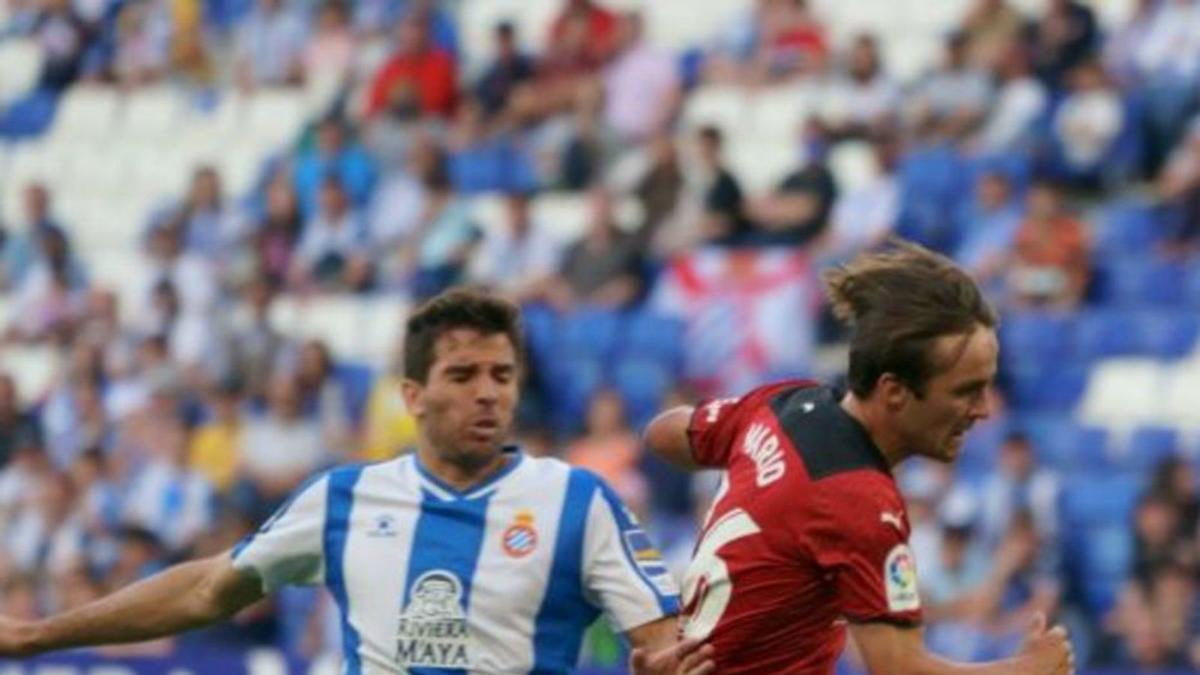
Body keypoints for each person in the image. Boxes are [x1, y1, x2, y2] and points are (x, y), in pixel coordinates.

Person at [0, 288, 709, 675]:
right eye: (462, 376)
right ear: (412, 395)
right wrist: (37, 634)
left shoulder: (575, 500)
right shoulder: (343, 498)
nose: (487, 393)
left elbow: (666, 642)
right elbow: (206, 588)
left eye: (501, 375)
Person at [642, 242, 1076, 674]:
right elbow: (899, 668)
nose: (983, 409)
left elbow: (663, 435)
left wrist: (760, 474)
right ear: (894, 392)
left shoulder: (784, 403)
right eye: (966, 391)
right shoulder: (860, 501)